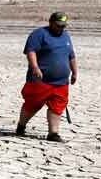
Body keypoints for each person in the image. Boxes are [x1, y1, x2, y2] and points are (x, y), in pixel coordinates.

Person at [16, 12, 78, 142]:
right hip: (40, 80)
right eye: (58, 25)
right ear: (51, 22)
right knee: (33, 104)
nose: (61, 28)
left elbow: (71, 55)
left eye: (63, 26)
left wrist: (74, 72)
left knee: (57, 106)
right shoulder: (39, 34)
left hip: (61, 82)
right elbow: (31, 51)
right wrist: (35, 67)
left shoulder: (66, 36)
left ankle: (53, 133)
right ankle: (21, 126)